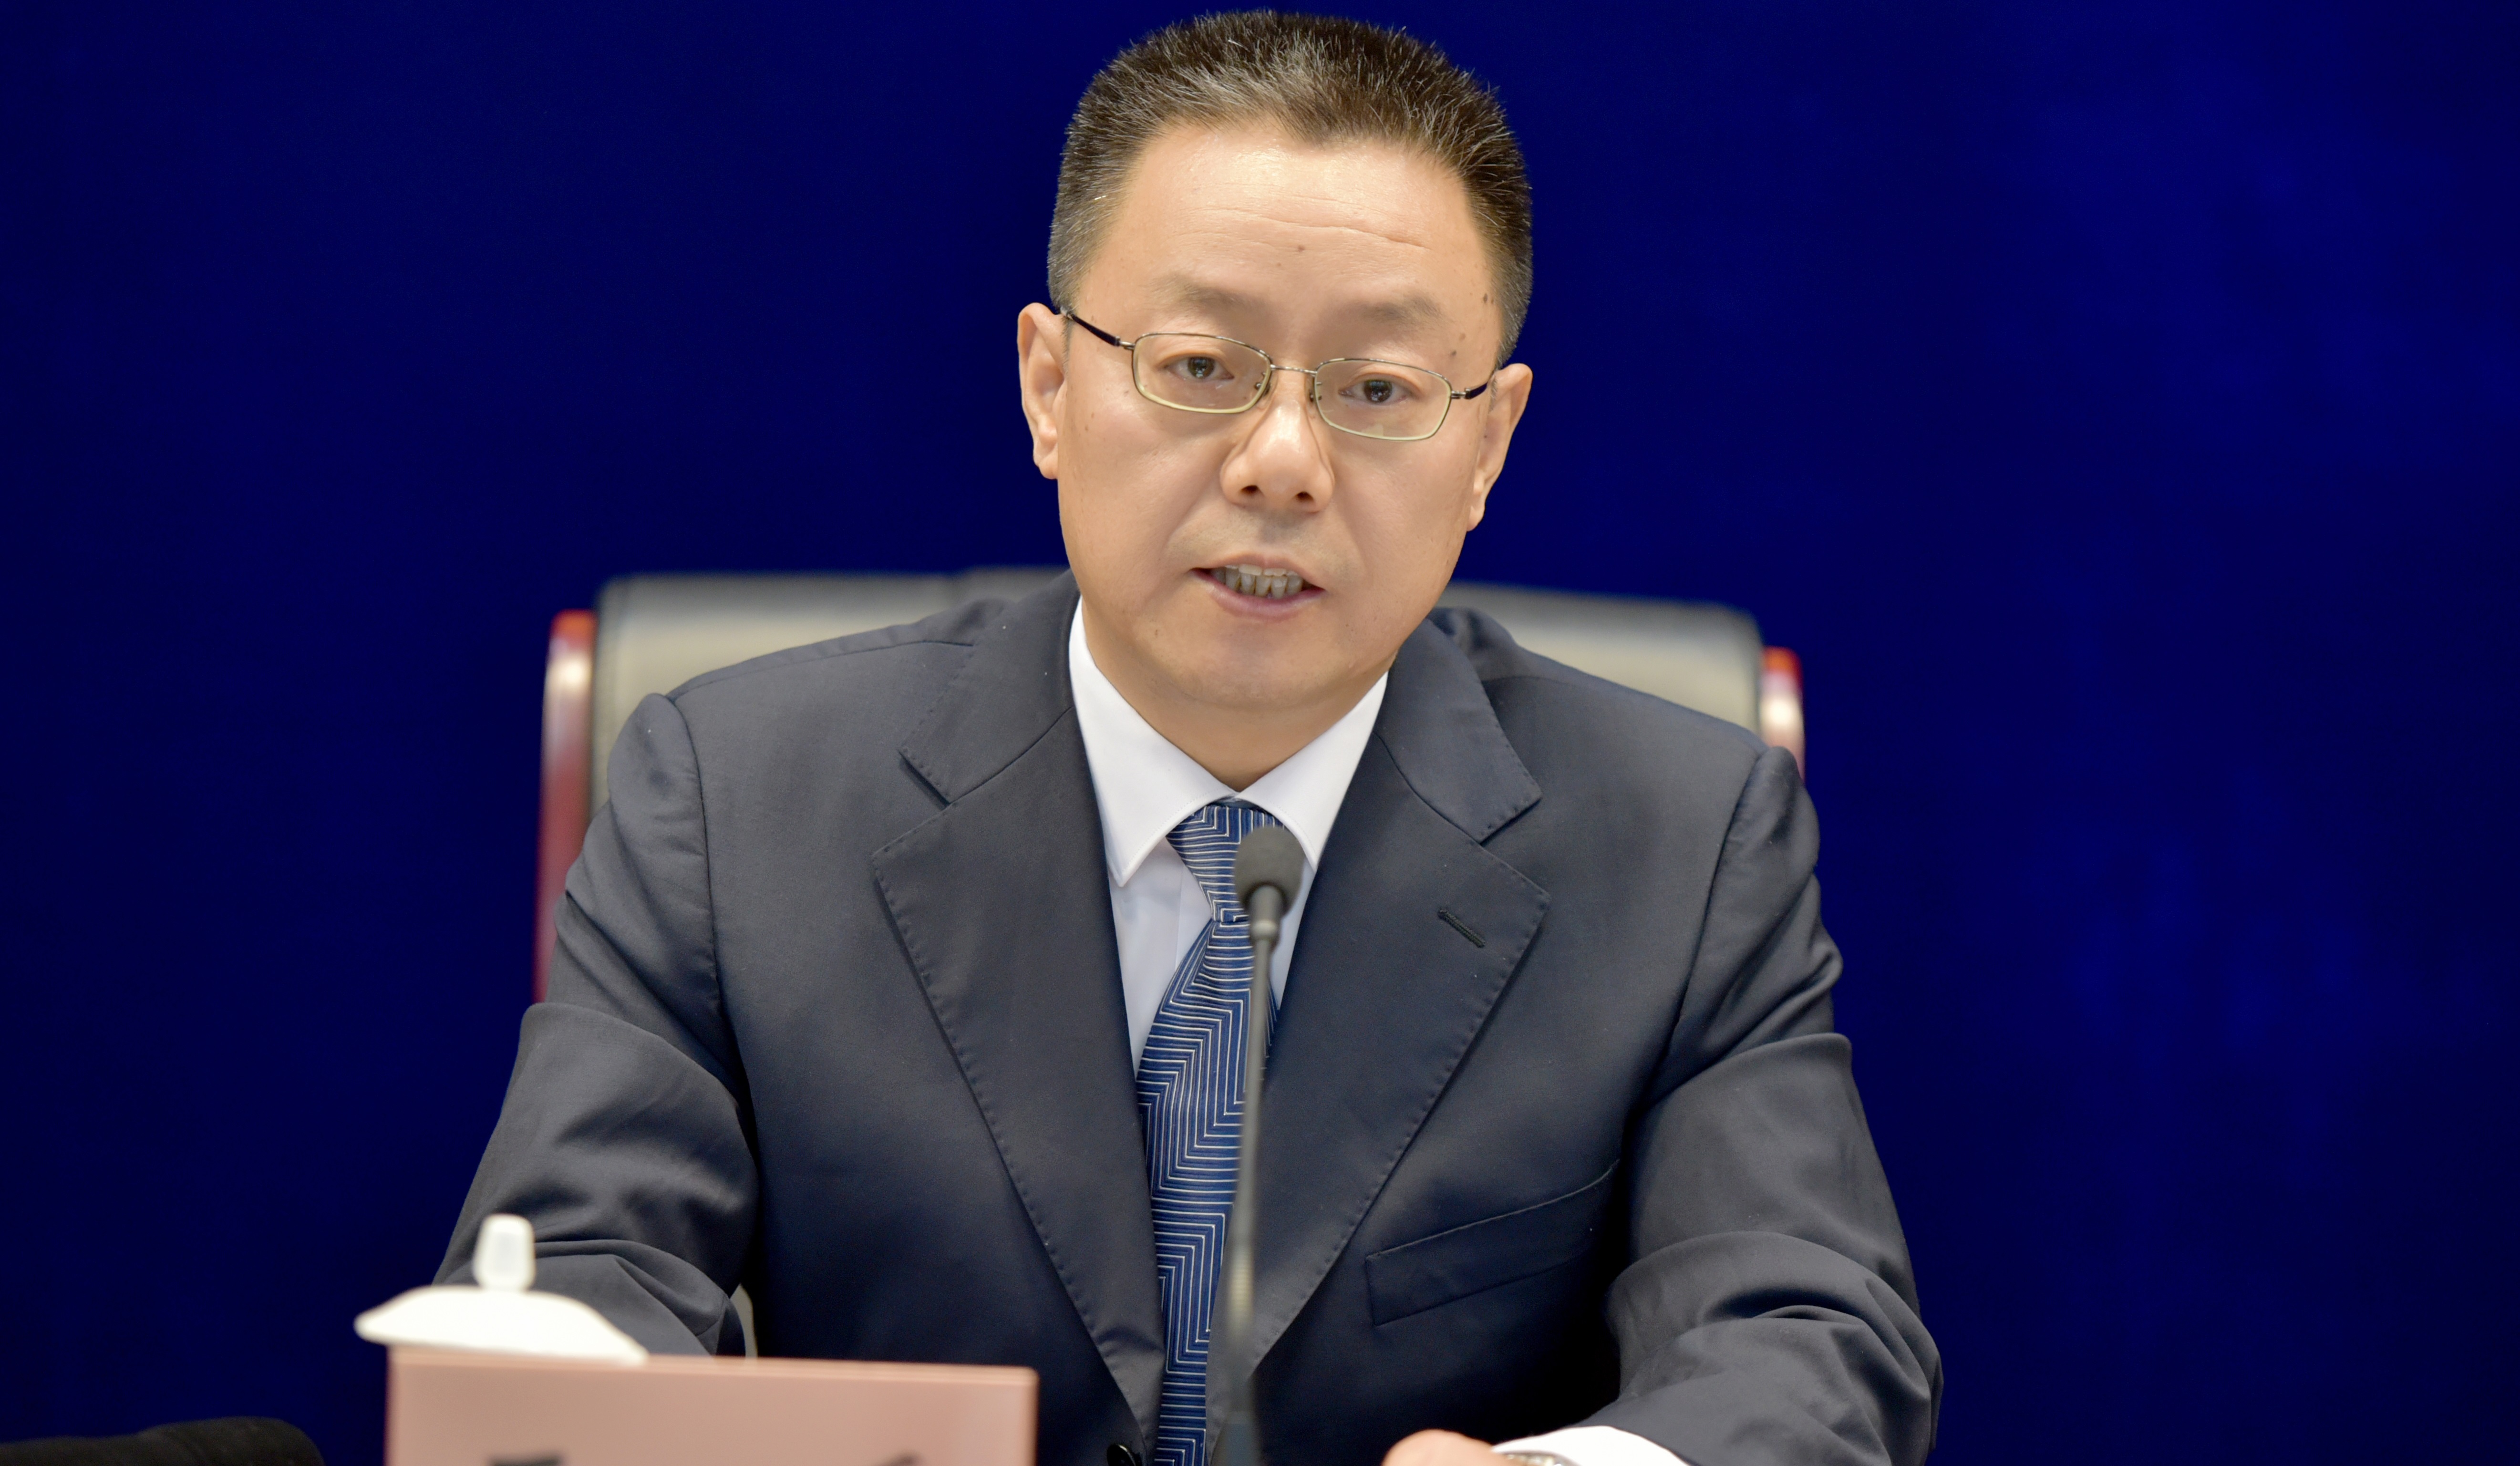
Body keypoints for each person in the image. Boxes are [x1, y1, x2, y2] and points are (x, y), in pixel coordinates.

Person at [440, 13, 1941, 1466]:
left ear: (1485, 444)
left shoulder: (1684, 843)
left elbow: (1803, 1333)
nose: (1281, 462)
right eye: (1201, 367)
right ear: (1049, 386)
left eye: (1376, 391)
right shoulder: (733, 795)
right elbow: (572, 1283)